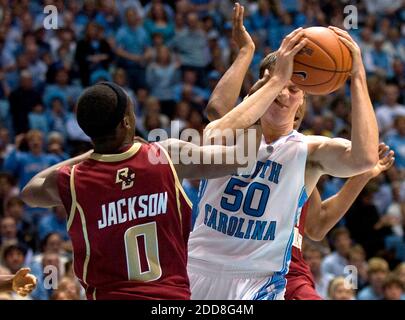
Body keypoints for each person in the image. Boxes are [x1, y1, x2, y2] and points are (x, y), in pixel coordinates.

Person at [19, 75, 288, 299]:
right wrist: (263, 92)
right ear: (126, 122)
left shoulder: (75, 179)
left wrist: (90, 153)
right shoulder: (165, 156)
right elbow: (242, 158)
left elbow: (30, 191)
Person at [188, 3, 378, 300]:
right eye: (277, 83)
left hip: (260, 280)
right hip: (198, 266)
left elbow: (365, 159)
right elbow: (215, 124)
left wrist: (357, 77)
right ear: (258, 89)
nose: (283, 93)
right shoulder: (233, 133)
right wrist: (255, 61)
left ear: (303, 100)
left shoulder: (308, 150)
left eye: (293, 88)